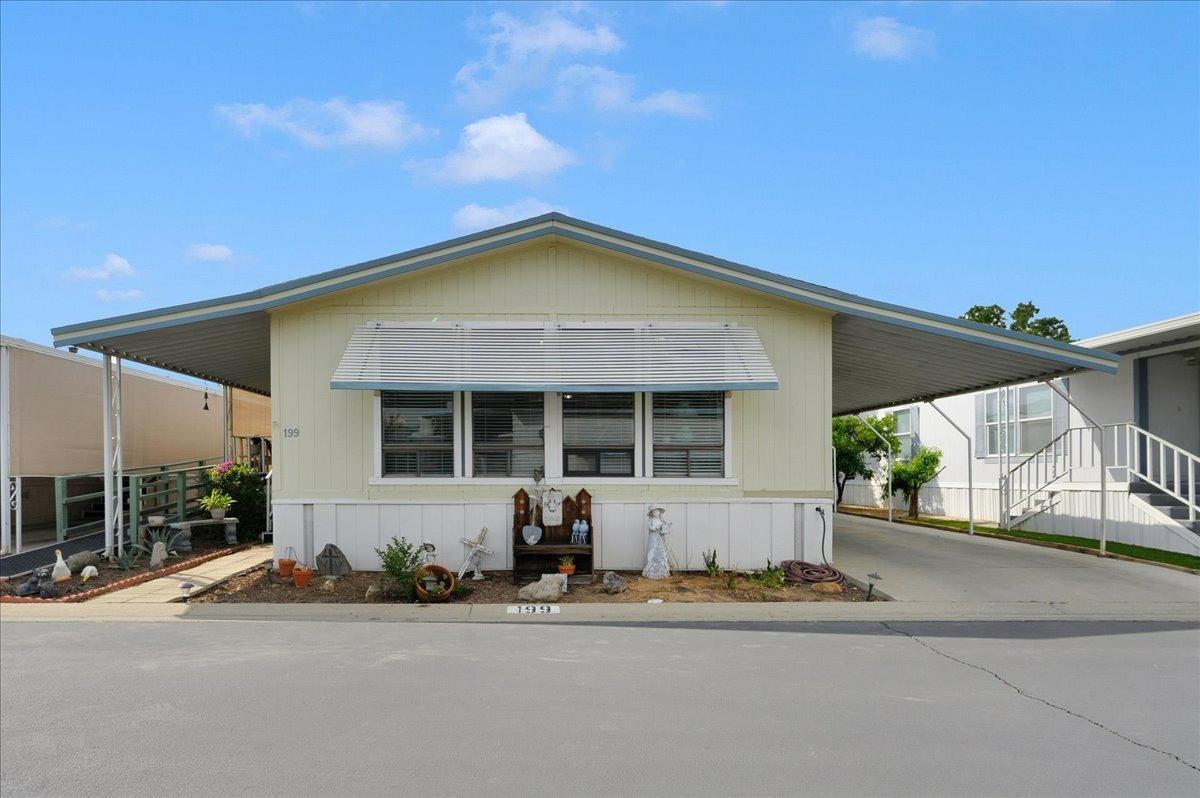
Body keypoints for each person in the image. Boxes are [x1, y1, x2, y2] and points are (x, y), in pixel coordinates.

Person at [642, 505, 671, 579]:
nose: (655, 513)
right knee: (652, 551)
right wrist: (654, 528)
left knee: (660, 552)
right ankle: (650, 571)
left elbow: (664, 528)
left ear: (659, 512)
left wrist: (665, 526)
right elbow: (649, 527)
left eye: (657, 511)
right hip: (652, 537)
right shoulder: (650, 520)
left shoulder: (661, 520)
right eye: (654, 512)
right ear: (652, 513)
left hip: (659, 538)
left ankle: (661, 571)